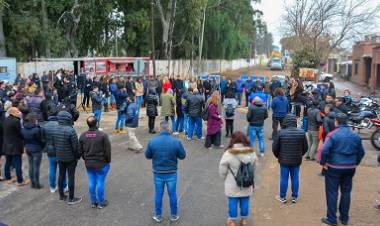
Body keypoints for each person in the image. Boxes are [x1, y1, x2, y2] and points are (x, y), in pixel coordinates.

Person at [320, 113, 365, 226]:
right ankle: (344, 218)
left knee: (332, 192)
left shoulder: (332, 134)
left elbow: (325, 150)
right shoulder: (355, 135)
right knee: (346, 192)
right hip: (350, 168)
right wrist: (355, 162)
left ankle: (332, 219)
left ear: (336, 122)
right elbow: (361, 152)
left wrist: (323, 163)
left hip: (334, 167)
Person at [145, 121, 186, 223]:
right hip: (171, 172)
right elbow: (182, 156)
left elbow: (147, 156)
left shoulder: (152, 141)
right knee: (172, 194)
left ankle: (158, 215)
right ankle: (174, 215)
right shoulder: (176, 142)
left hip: (158, 172)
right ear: (169, 129)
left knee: (158, 193)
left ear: (160, 129)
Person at [219, 131, 257, 226]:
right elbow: (254, 167)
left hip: (232, 182)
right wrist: (252, 177)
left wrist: (223, 177)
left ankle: (232, 221)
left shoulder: (229, 152)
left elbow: (222, 167)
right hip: (247, 181)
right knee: (245, 200)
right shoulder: (251, 152)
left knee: (233, 200)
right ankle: (244, 220)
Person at [273, 114, 308, 204]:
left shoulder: (280, 133)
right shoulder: (302, 133)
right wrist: (300, 154)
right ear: (295, 122)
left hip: (284, 160)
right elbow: (305, 148)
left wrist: (279, 156)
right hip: (296, 160)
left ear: (285, 122)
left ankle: (282, 197)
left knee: (284, 178)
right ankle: (294, 197)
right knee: (295, 178)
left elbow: (275, 148)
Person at [79, 116, 111, 209]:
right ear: (97, 123)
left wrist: (85, 158)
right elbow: (107, 151)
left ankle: (93, 202)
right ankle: (101, 202)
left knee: (92, 181)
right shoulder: (103, 135)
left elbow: (80, 150)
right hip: (101, 164)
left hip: (89, 164)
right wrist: (107, 161)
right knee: (100, 181)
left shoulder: (83, 135)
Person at [53, 111, 82, 204]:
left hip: (59, 157)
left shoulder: (55, 128)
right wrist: (78, 156)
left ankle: (61, 196)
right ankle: (71, 198)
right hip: (70, 158)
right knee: (71, 177)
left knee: (61, 176)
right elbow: (76, 147)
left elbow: (54, 144)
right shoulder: (70, 130)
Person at [41, 109, 68, 193]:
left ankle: (52, 187)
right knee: (62, 170)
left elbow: (42, 139)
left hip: (50, 151)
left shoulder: (44, 126)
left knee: (52, 168)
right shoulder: (60, 125)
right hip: (60, 150)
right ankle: (64, 186)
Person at [3, 107, 28, 186]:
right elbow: (20, 133)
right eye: (17, 112)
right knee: (18, 163)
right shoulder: (16, 121)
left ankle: (8, 178)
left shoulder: (6, 120)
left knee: (8, 162)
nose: (19, 113)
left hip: (7, 144)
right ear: (12, 113)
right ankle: (20, 181)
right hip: (15, 145)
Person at [21, 113, 45, 189]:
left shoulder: (23, 129)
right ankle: (37, 184)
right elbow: (41, 140)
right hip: (36, 150)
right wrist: (42, 147)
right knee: (36, 167)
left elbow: (23, 140)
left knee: (31, 167)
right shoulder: (37, 129)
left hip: (28, 148)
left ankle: (32, 183)